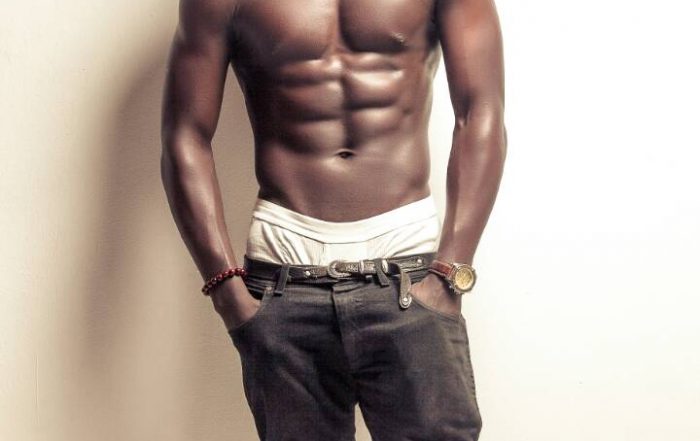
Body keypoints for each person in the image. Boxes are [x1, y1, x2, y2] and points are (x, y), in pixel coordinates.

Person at [160, 0, 506, 439]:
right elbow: (185, 136)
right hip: (283, 276)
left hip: (410, 270)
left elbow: (480, 112)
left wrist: (450, 273)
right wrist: (226, 290)